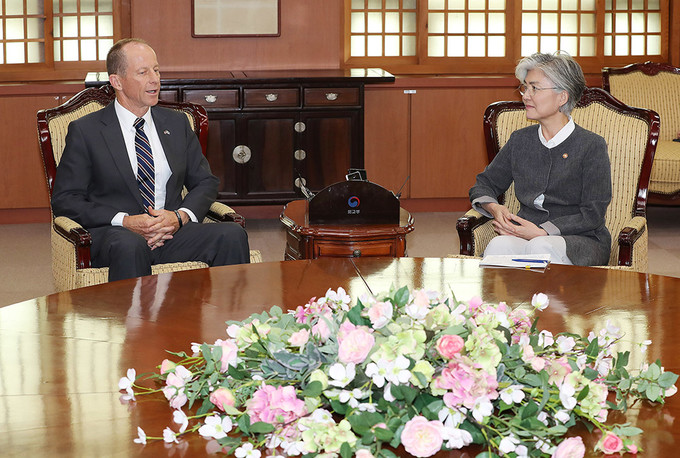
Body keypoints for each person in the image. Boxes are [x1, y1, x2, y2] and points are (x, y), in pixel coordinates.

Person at [51, 38, 250, 281]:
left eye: (156, 70)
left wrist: (179, 217)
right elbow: (65, 199)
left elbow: (205, 182)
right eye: (143, 72)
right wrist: (125, 221)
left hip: (171, 232)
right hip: (117, 235)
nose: (155, 79)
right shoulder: (87, 131)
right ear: (117, 81)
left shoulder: (176, 123)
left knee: (231, 235)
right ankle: (133, 309)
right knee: (130, 245)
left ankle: (225, 309)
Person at [469, 51, 612, 266]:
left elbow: (593, 213)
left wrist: (543, 231)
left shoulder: (591, 145)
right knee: (499, 246)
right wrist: (494, 208)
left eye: (535, 88)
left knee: (540, 247)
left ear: (562, 97)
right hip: (527, 234)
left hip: (581, 240)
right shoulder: (520, 140)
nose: (526, 95)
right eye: (525, 87)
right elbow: (485, 183)